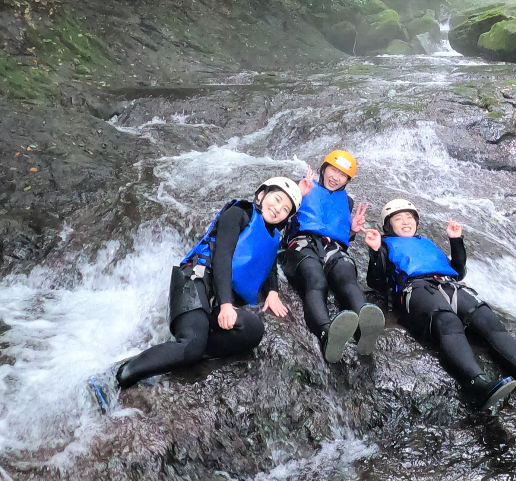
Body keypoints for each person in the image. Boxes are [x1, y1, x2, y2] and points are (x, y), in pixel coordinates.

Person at [365, 198, 516, 412]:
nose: (406, 222)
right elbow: (376, 282)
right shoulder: (385, 244)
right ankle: (476, 384)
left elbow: (458, 271)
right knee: (447, 321)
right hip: (415, 290)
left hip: (450, 285)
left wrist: (456, 241)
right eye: (398, 219)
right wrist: (376, 252)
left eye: (409, 218)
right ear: (388, 225)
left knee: (486, 318)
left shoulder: (425, 242)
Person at [107, 176, 302, 397]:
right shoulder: (238, 215)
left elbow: (269, 264)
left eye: (285, 209)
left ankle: (191, 351)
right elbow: (222, 258)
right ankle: (120, 375)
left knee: (254, 329)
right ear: (261, 195)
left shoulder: (273, 236)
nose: (277, 208)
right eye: (276, 200)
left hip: (217, 303)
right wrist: (226, 305)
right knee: (190, 345)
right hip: (195, 282)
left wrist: (273, 292)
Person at [282, 149, 384, 362]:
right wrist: (296, 194)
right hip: (302, 244)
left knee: (346, 275)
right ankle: (326, 333)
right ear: (323, 169)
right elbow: (278, 216)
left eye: (342, 175)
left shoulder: (347, 201)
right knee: (315, 278)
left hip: (333, 248)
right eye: (333, 170)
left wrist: (352, 230)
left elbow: (338, 231)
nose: (336, 177)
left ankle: (363, 328)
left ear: (348, 180)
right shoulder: (301, 186)